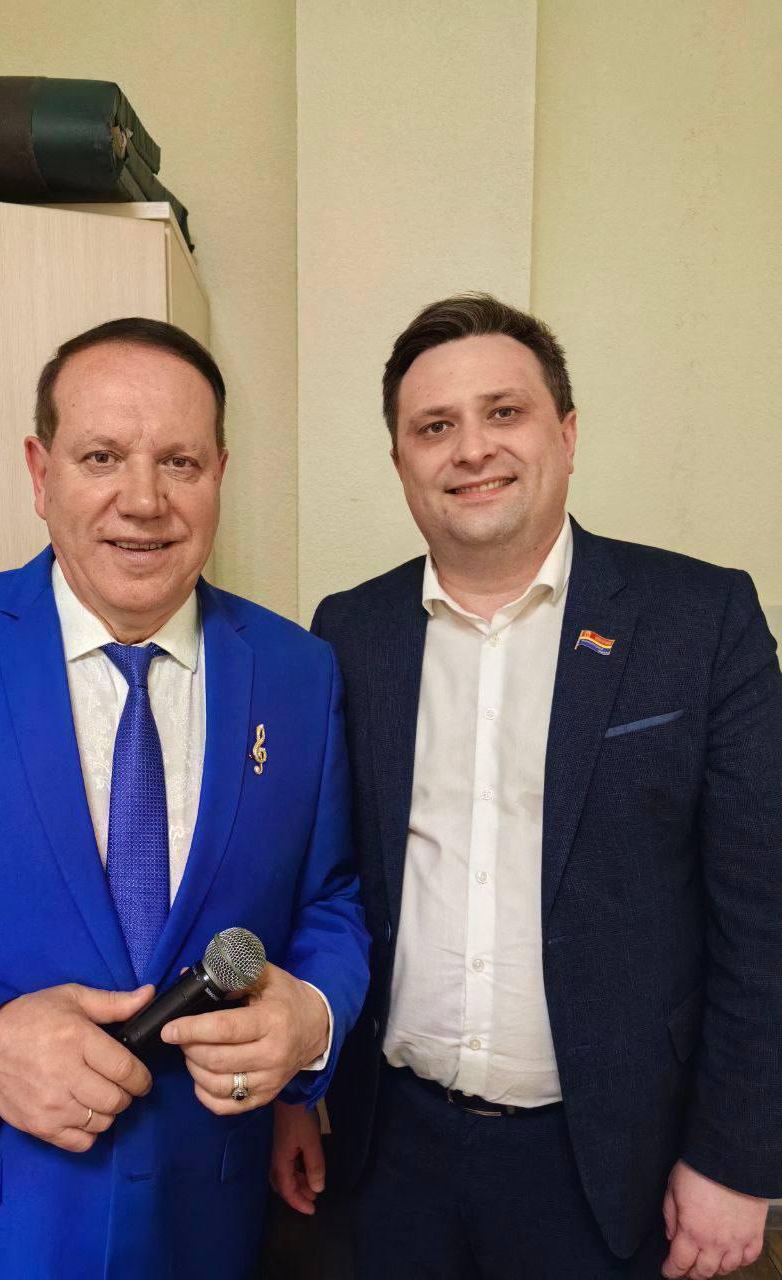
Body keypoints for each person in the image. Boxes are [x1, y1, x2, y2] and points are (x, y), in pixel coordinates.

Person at [0, 317, 369, 1279]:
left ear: (220, 475)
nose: (144, 501)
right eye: (102, 457)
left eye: (180, 462)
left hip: (212, 1227)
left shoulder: (299, 672)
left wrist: (312, 1017)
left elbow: (329, 900)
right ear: (41, 474)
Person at [270, 294, 782, 1279]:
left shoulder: (700, 619)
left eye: (503, 412)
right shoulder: (351, 631)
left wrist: (737, 1155)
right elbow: (322, 879)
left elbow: (764, 915)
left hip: (613, 1159)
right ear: (400, 461)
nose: (472, 449)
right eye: (434, 426)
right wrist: (301, 1089)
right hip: (391, 1147)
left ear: (568, 433)